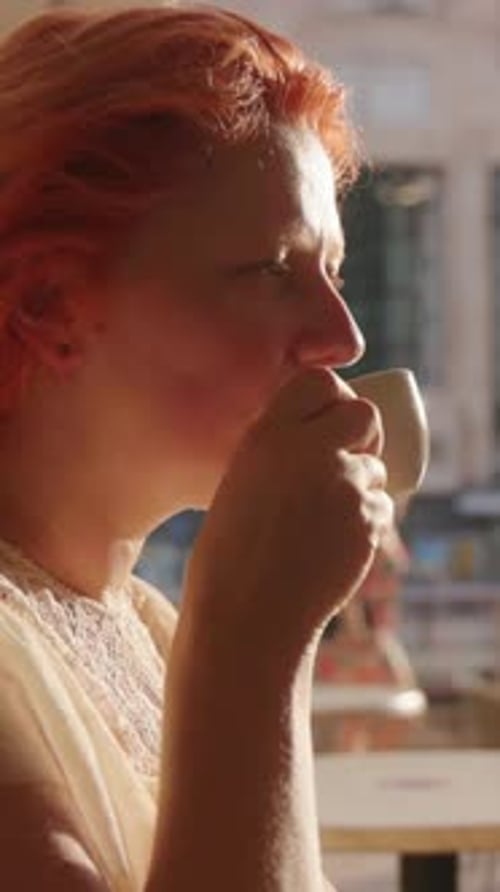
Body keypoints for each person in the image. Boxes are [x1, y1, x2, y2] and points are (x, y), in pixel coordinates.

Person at [0, 5, 394, 891]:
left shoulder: (141, 624)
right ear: (49, 307)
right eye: (270, 270)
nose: (344, 336)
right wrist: (256, 641)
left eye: (330, 273)